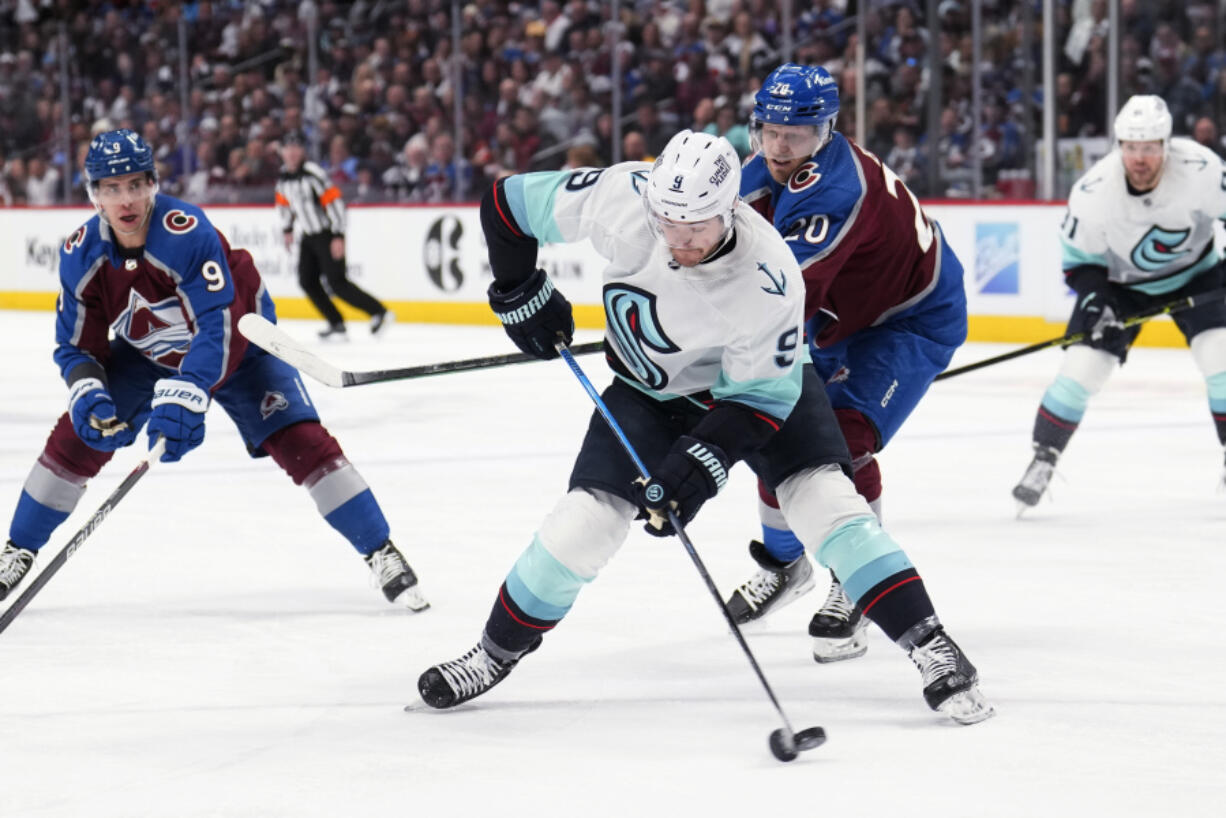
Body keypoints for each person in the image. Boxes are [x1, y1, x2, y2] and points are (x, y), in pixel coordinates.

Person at [415, 129, 992, 725]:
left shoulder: (768, 275)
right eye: (667, 222)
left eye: (695, 228)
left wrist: (699, 468)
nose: (678, 241)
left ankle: (931, 645)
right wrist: (519, 290)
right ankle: (492, 653)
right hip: (648, 396)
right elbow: (507, 205)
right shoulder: (626, 194)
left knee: (825, 503)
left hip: (761, 394)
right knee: (582, 524)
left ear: (731, 209)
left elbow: (757, 403)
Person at [0, 129, 427, 613]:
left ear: (154, 185)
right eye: (112, 188)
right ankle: (18, 548)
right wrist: (86, 389)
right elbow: (77, 346)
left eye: (136, 184)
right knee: (80, 434)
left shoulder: (186, 232)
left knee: (302, 442)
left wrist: (188, 390)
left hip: (240, 344)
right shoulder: (81, 255)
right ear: (93, 193)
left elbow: (218, 327)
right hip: (148, 353)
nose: (126, 199)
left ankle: (380, 549)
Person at [720, 63, 968, 667]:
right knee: (777, 423)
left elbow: (785, 298)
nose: (779, 147)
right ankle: (785, 566)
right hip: (845, 312)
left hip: (908, 319)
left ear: (826, 130)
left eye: (797, 136)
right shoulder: (762, 167)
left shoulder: (835, 190)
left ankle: (853, 584)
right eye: (769, 131)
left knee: (840, 442)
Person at [1011, 95, 1226, 510]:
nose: (1139, 158)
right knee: (1080, 372)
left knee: (1221, 360)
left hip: (1197, 275)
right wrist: (1096, 303)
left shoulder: (1202, 169)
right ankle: (1043, 457)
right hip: (1121, 286)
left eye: (1148, 148)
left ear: (1166, 144)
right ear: (1118, 145)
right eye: (1130, 147)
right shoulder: (1094, 192)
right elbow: (1079, 264)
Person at [274, 132, 390, 340]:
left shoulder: (313, 174)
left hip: (327, 234)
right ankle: (336, 322)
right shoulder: (284, 177)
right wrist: (287, 229)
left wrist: (338, 234)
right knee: (307, 280)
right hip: (309, 236)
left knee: (337, 283)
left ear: (303, 151)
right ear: (282, 152)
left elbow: (334, 202)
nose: (291, 153)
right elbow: (284, 204)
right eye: (287, 148)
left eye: (296, 148)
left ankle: (379, 311)